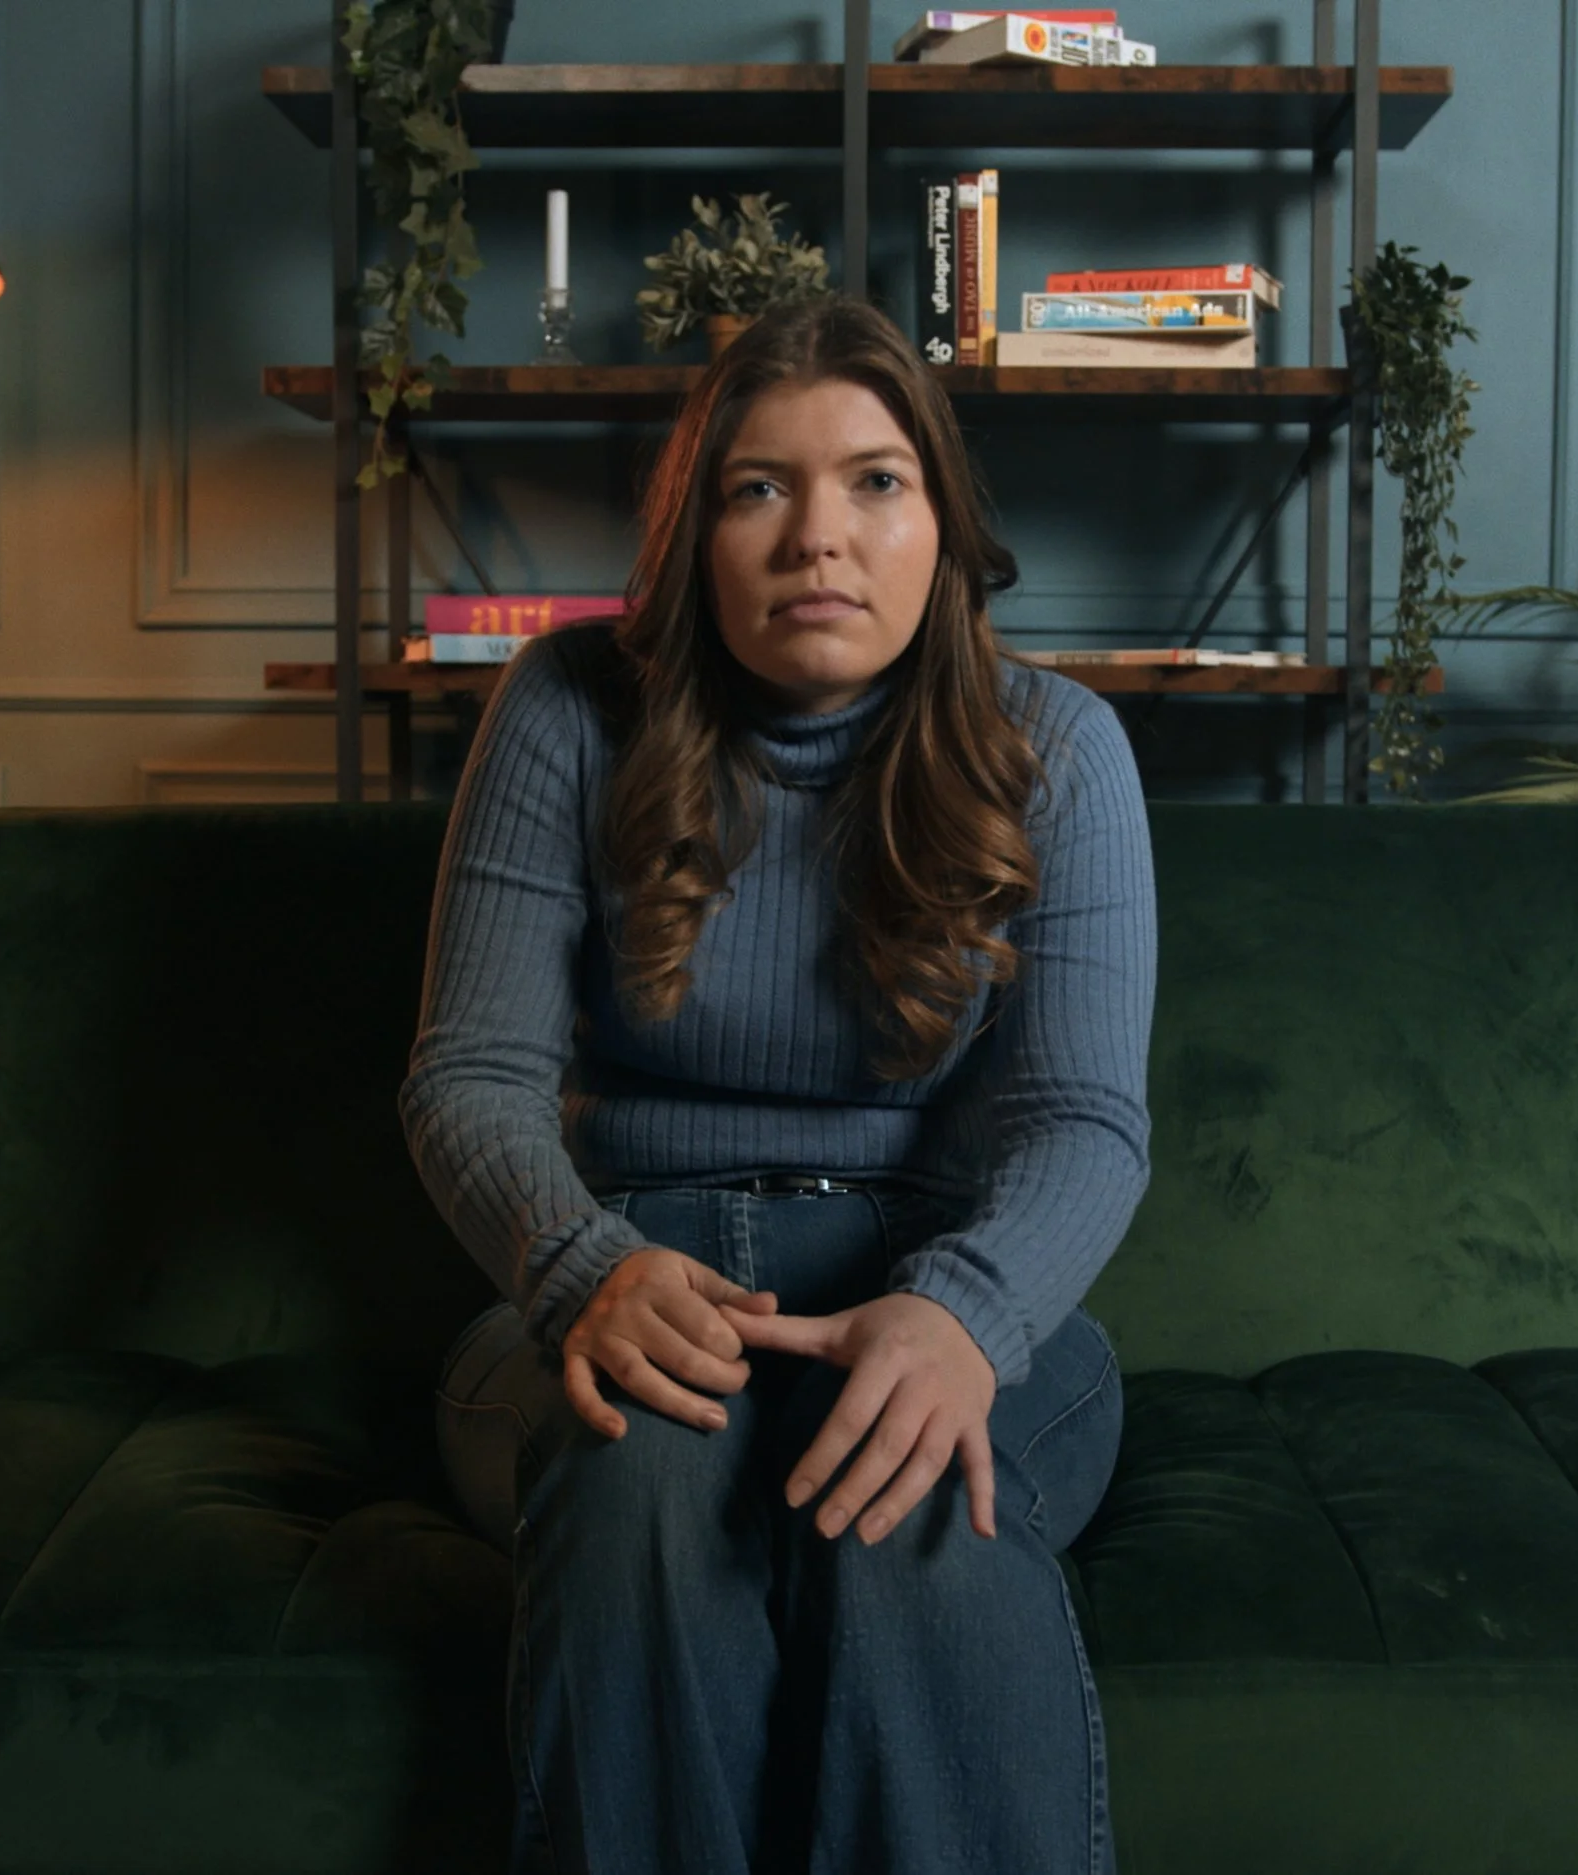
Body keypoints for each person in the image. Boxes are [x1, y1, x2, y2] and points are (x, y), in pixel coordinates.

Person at [401, 293, 1159, 1875]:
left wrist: (966, 1317)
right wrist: (580, 1267)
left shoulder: (1058, 747)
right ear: (696, 531)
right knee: (645, 1484)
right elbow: (468, 1075)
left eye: (877, 480)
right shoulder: (566, 711)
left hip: (935, 1274)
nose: (822, 533)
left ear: (942, 521)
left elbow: (1084, 1122)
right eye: (760, 486)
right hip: (622, 1270)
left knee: (923, 1503)